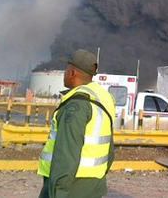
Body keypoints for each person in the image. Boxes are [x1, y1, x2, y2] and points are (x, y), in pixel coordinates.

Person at [37, 49, 116, 198]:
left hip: (71, 188)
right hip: (94, 186)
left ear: (72, 73)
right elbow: (110, 149)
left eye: (66, 69)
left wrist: (58, 192)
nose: (64, 74)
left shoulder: (76, 104)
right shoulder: (104, 97)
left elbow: (66, 155)